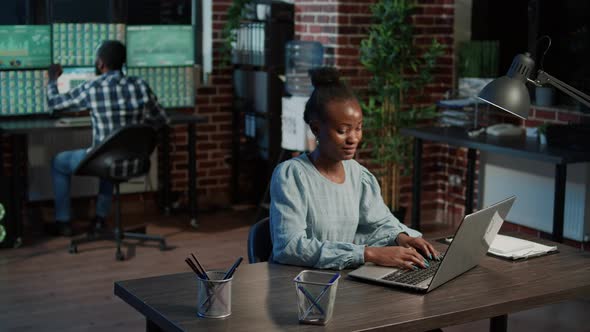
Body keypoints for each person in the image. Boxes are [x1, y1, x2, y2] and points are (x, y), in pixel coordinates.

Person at [269, 67, 440, 270]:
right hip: (298, 283)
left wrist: (401, 238)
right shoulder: (291, 175)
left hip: (343, 277)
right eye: (342, 130)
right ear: (316, 128)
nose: (353, 139)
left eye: (358, 128)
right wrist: (367, 254)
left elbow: (378, 222)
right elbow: (289, 247)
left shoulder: (357, 174)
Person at [46, 40, 169, 236]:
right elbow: (162, 121)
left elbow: (55, 103)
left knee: (58, 163)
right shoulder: (140, 86)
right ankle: (100, 219)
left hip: (104, 161)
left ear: (100, 63)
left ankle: (63, 222)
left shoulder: (93, 87)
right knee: (113, 154)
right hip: (135, 162)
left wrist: (53, 79)